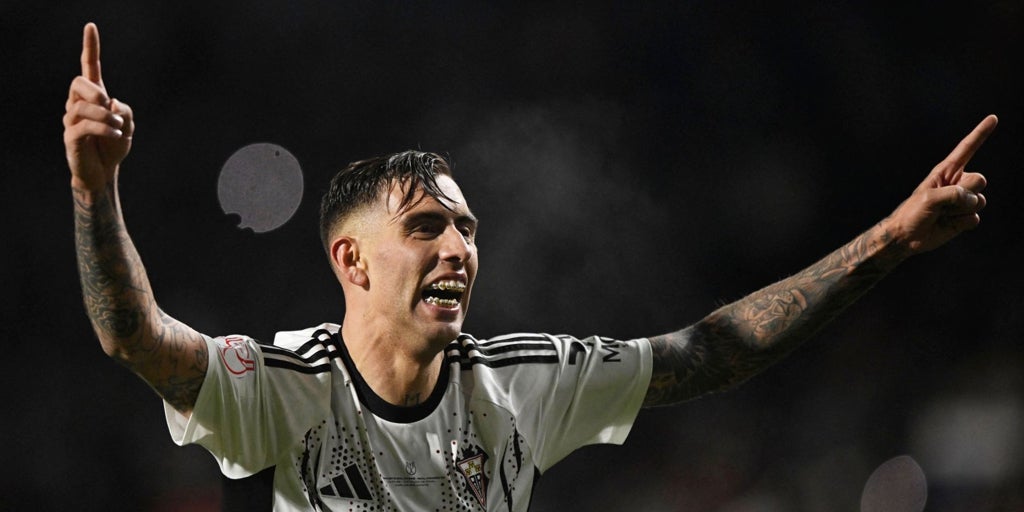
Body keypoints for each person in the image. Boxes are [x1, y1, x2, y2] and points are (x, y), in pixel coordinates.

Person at [64, 22, 996, 511]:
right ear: (351, 259)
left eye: (468, 228)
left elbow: (711, 352)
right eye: (426, 226)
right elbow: (133, 337)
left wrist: (891, 239)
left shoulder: (521, 382)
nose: (459, 249)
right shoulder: (285, 386)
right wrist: (94, 191)